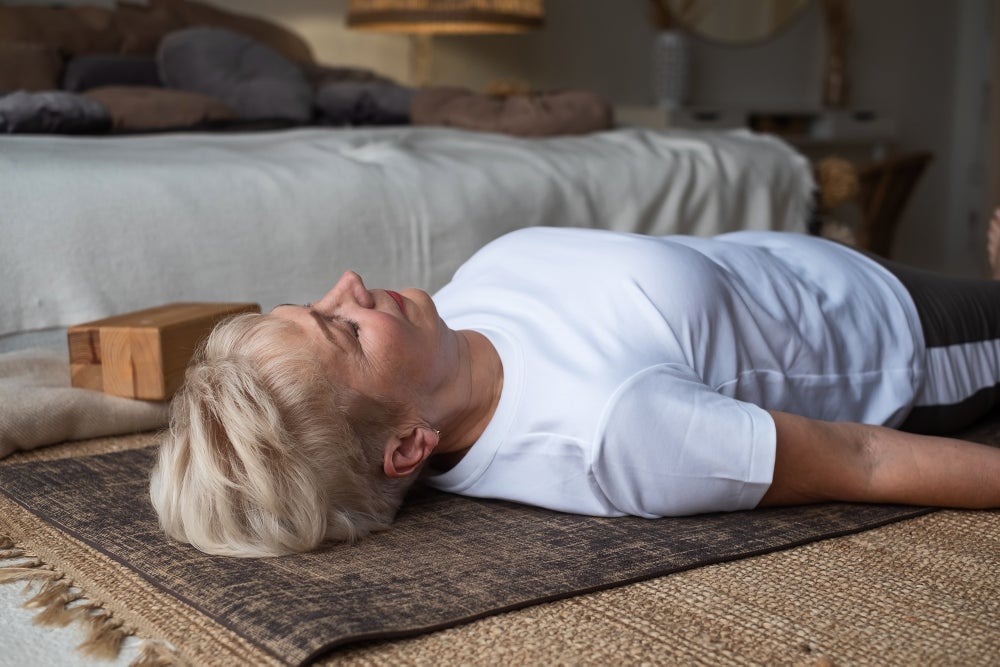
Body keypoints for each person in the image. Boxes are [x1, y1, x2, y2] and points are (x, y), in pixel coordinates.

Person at [149, 212, 1000, 557]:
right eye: (343, 329)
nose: (350, 283)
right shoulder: (609, 432)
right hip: (903, 337)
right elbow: (860, 461)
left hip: (817, 266)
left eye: (318, 304)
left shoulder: (449, 327)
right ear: (408, 444)